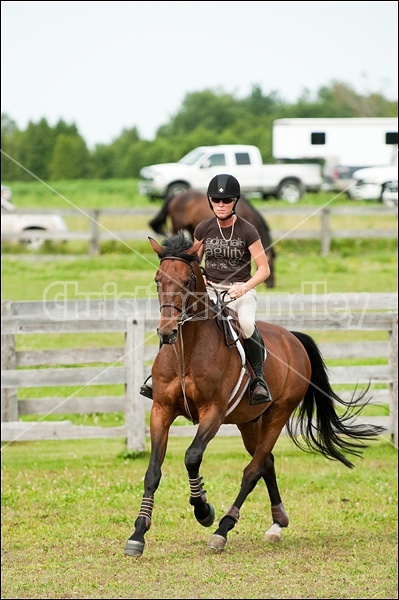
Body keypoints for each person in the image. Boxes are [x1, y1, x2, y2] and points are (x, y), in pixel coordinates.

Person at [140, 173, 272, 405]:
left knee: (248, 324)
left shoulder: (247, 230)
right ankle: (158, 377)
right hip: (210, 290)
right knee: (174, 318)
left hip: (239, 290)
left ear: (235, 202)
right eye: (216, 200)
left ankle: (258, 380)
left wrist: (244, 288)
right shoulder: (203, 228)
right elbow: (193, 263)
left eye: (226, 200)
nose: (221, 205)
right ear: (210, 202)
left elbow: (264, 269)